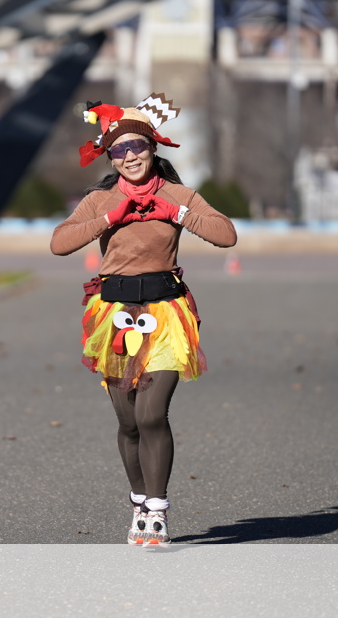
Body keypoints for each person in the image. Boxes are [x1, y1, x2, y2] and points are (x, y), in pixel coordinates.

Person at [50, 94, 237, 546]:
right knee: (129, 421)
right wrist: (109, 217)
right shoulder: (101, 199)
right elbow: (59, 243)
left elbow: (226, 234)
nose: (129, 156)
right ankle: (138, 499)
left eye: (137, 146)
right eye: (119, 150)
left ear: (153, 148)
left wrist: (177, 214)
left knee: (152, 414)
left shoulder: (177, 194)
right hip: (114, 317)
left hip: (166, 314)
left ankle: (157, 510)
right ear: (110, 157)